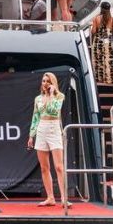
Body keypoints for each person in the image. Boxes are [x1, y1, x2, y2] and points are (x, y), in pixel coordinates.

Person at [27, 72, 67, 207]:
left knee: (59, 167)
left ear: (53, 83)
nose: (45, 84)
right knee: (44, 167)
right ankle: (50, 197)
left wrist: (51, 95)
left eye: (48, 81)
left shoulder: (59, 96)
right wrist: (31, 135)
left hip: (54, 128)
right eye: (43, 81)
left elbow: (54, 110)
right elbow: (35, 117)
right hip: (42, 128)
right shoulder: (37, 99)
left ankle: (64, 197)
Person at [91, 2, 113, 84]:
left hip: (98, 41)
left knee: (98, 60)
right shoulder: (112, 19)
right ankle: (109, 79)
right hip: (107, 42)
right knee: (107, 60)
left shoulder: (97, 18)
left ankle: (99, 79)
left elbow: (93, 31)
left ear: (101, 8)